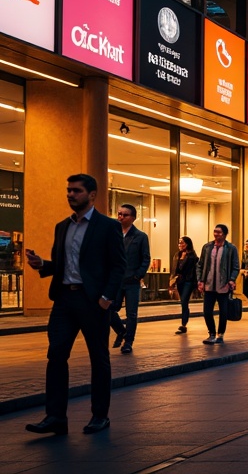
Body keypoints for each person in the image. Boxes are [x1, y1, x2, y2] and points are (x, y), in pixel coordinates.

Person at [23, 174, 126, 436]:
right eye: (68, 190)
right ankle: (55, 417)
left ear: (91, 195)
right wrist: (42, 265)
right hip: (64, 300)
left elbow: (118, 266)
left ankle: (99, 416)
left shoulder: (107, 226)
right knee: (56, 355)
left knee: (98, 358)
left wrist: (106, 299)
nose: (70, 195)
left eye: (76, 191)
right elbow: (62, 266)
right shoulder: (62, 226)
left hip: (92, 301)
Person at [109, 203, 150, 354]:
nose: (120, 217)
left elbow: (146, 258)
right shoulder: (113, 233)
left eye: (124, 215)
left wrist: (138, 275)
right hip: (115, 281)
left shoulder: (140, 236)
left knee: (131, 313)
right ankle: (121, 331)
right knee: (109, 308)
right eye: (119, 214)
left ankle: (128, 342)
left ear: (133, 218)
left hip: (132, 281)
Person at [196, 224, 240, 345]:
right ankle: (211, 333)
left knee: (223, 311)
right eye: (215, 232)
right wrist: (200, 280)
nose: (216, 234)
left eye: (219, 232)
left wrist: (231, 279)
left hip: (223, 286)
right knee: (207, 311)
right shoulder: (207, 247)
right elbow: (200, 265)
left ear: (225, 234)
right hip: (208, 285)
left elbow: (236, 266)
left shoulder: (231, 248)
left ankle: (220, 334)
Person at [171, 237, 198, 334]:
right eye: (179, 243)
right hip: (179, 281)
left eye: (182, 243)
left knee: (184, 300)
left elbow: (194, 270)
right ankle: (184, 322)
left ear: (187, 244)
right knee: (183, 301)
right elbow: (174, 269)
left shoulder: (192, 256)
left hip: (188, 281)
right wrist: (172, 280)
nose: (180, 245)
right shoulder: (177, 255)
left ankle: (183, 324)